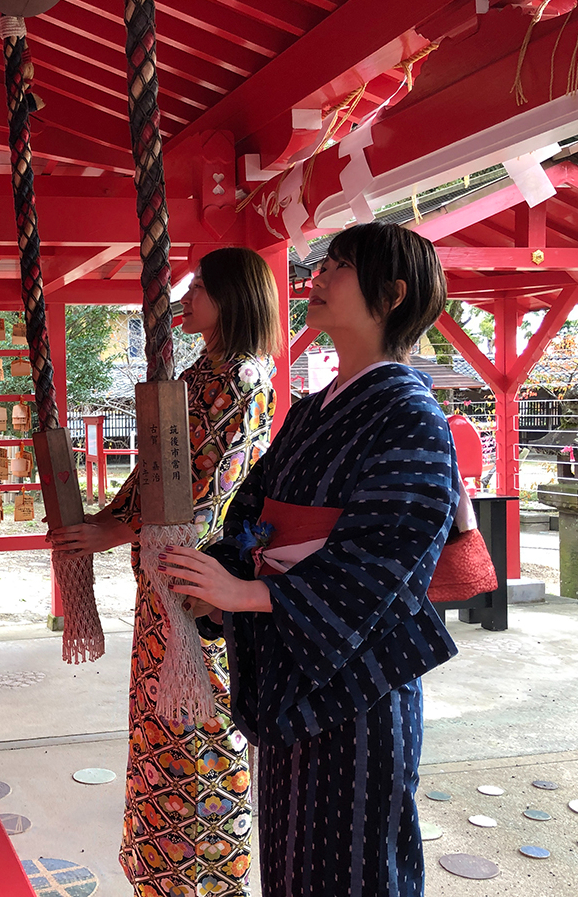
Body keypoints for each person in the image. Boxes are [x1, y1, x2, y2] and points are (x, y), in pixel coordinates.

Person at [161, 222, 459, 897]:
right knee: (293, 863)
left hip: (359, 681)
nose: (317, 277)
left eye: (340, 267)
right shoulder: (311, 412)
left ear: (392, 294)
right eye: (322, 264)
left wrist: (255, 595)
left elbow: (384, 557)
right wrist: (220, 581)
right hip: (294, 672)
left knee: (355, 867)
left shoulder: (411, 415)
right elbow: (251, 518)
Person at [48, 247, 281, 897]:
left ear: (232, 297)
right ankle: (167, 876)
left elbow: (184, 485)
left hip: (196, 583)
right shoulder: (210, 373)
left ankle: (194, 881)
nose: (185, 295)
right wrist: (104, 523)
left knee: (194, 727)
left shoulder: (232, 380)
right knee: (168, 727)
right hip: (174, 576)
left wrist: (105, 529)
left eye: (200, 286)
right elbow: (159, 474)